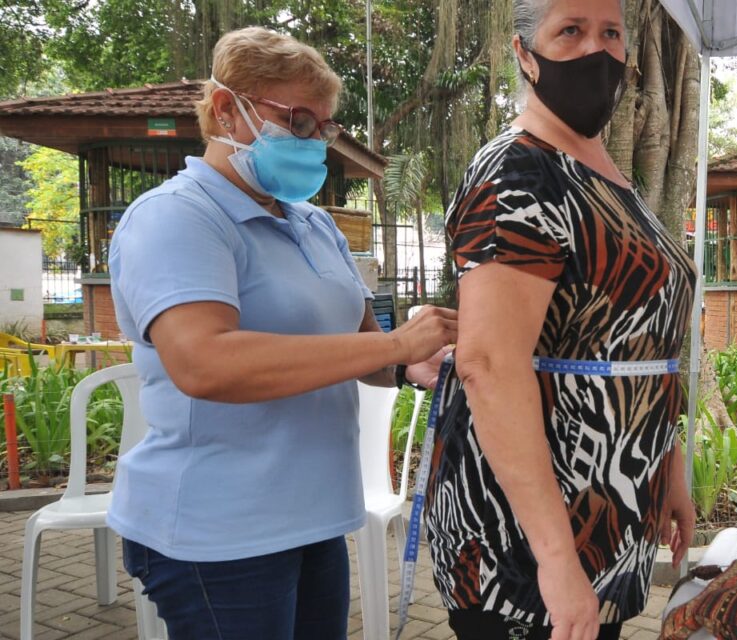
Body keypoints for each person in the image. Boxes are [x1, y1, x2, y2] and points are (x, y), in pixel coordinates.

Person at [107, 27, 457, 639]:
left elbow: (355, 345)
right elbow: (206, 364)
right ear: (225, 109)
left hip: (313, 519)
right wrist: (396, 345)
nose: (314, 142)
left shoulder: (315, 224)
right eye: (297, 122)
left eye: (322, 128)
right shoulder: (176, 218)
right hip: (218, 533)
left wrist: (407, 365)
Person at [422, 1, 696, 639]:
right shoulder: (519, 171)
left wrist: (668, 469)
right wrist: (555, 558)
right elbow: (488, 364)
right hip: (530, 533)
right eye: (569, 30)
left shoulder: (610, 179)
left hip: (611, 502)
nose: (594, 50)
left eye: (610, 33)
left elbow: (638, 341)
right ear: (524, 53)